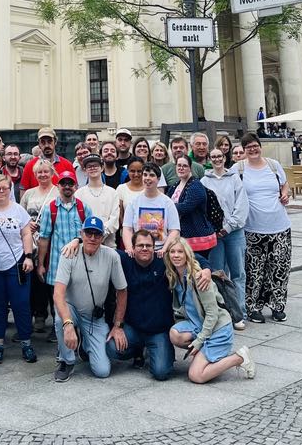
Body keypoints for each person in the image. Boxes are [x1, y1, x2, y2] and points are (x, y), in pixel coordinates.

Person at [107, 229, 212, 379]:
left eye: (148, 246)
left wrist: (207, 269)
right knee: (111, 349)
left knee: (161, 372)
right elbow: (101, 247)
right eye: (140, 245)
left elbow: (192, 256)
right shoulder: (125, 259)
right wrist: (77, 241)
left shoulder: (164, 261)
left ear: (154, 247)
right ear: (132, 247)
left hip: (159, 331)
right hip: (133, 328)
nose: (144, 248)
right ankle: (139, 350)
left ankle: (157, 349)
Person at [164, 239, 255, 383]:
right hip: (198, 325)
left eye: (180, 252)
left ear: (188, 254)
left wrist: (199, 341)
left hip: (218, 329)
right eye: (172, 252)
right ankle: (203, 355)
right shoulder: (175, 276)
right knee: (175, 334)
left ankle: (239, 358)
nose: (176, 255)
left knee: (196, 375)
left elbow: (213, 314)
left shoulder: (199, 277)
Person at [52, 216, 128, 382]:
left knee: (102, 371)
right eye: (88, 233)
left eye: (97, 234)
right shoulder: (69, 252)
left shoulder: (112, 256)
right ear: (81, 233)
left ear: (103, 237)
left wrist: (118, 325)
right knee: (60, 321)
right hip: (71, 309)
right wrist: (67, 323)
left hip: (94, 316)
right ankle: (66, 360)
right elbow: (58, 293)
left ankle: (84, 345)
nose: (92, 238)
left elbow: (122, 291)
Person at [237, 132, 291, 324]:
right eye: (248, 147)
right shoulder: (239, 169)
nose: (252, 149)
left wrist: (285, 194)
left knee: (279, 268)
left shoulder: (273, 165)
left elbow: (284, 185)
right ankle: (253, 307)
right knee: (254, 270)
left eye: (255, 145)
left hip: (279, 225)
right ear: (243, 151)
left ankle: (277, 306)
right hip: (252, 228)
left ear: (260, 146)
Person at [0, 174, 36, 365]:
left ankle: (26, 344)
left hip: (16, 264)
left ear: (10, 189)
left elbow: (26, 233)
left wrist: (28, 256)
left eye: (4, 188)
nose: (1, 192)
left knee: (21, 305)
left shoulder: (18, 210)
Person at [202, 148, 249, 327]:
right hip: (214, 234)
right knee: (217, 274)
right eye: (213, 157)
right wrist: (215, 230)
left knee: (238, 273)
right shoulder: (204, 181)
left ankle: (239, 313)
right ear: (209, 159)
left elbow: (242, 205)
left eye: (219, 156)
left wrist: (228, 227)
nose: (216, 159)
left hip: (234, 232)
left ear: (224, 158)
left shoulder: (235, 178)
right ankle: (222, 313)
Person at [20, 158, 59, 334]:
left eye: (46, 171)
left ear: (52, 173)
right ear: (35, 175)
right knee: (35, 280)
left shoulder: (58, 192)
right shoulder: (28, 194)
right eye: (39, 172)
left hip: (52, 243)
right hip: (31, 243)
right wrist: (29, 224)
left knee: (50, 279)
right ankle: (39, 315)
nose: (43, 175)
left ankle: (55, 317)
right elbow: (20, 217)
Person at [37, 170, 91, 292]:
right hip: (57, 265)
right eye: (63, 183)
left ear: (76, 187)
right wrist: (40, 265)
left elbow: (91, 236)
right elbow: (44, 239)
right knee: (58, 304)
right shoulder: (49, 208)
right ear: (58, 186)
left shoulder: (84, 208)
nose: (67, 186)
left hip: (80, 264)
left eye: (70, 184)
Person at [122, 162, 180, 256]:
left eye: (152, 175)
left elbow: (174, 230)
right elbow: (127, 229)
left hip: (160, 251)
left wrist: (165, 249)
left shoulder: (167, 203)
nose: (147, 178)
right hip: (139, 251)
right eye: (145, 175)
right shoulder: (133, 202)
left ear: (158, 179)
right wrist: (130, 248)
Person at [167, 156, 217, 257]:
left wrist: (167, 208)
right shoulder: (175, 185)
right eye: (179, 165)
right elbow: (166, 201)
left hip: (197, 236)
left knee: (198, 268)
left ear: (190, 168)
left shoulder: (195, 185)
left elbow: (186, 207)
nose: (181, 168)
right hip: (181, 236)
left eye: (184, 166)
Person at [76, 154, 119, 249]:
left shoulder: (112, 192)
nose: (92, 168)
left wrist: (100, 234)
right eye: (89, 166)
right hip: (85, 245)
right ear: (85, 170)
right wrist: (90, 237)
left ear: (102, 168)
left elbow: (114, 219)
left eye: (95, 166)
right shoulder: (79, 193)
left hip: (108, 245)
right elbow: (77, 220)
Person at [115, 156, 147, 236]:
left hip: (147, 235)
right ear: (128, 171)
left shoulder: (149, 188)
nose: (136, 174)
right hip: (127, 235)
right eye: (132, 171)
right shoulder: (121, 189)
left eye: (139, 171)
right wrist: (128, 230)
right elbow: (120, 214)